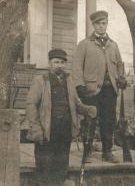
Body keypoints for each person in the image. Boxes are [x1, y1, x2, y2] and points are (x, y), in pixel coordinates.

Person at [26, 49, 97, 186]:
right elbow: (31, 105)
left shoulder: (69, 80)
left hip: (64, 128)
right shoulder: (40, 80)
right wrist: (36, 129)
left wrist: (87, 110)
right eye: (56, 62)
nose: (59, 65)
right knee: (44, 168)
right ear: (49, 63)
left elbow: (75, 103)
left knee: (61, 165)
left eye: (62, 63)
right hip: (46, 130)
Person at [72, 10, 127, 163]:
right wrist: (79, 86)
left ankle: (107, 152)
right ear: (93, 25)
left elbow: (120, 65)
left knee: (108, 121)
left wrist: (121, 78)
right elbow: (76, 67)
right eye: (98, 24)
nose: (102, 27)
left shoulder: (113, 45)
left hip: (110, 91)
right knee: (90, 120)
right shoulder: (84, 45)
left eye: (104, 23)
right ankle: (87, 152)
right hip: (91, 91)